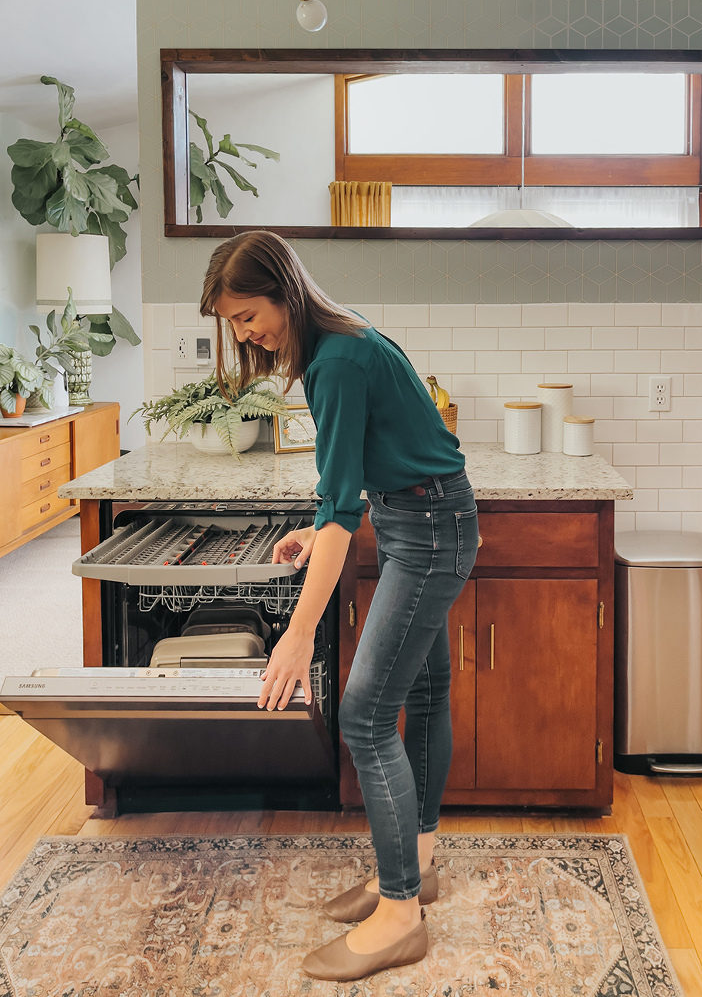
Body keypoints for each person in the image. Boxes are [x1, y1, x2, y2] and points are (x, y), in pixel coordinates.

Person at [201, 230, 479, 982]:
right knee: (421, 690)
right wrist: (319, 522)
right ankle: (415, 870)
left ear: (283, 292)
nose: (244, 332)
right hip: (416, 514)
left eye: (248, 313)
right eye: (230, 322)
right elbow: (345, 493)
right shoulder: (337, 342)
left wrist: (296, 637)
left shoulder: (337, 361)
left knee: (362, 713)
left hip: (426, 529)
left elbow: (338, 521)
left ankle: (399, 917)